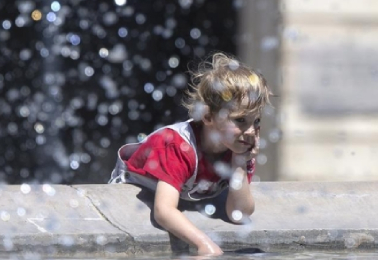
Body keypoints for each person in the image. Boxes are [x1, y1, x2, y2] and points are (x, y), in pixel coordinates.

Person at [109, 53, 271, 256]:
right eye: (240, 121)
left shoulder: (238, 146)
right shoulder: (177, 146)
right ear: (208, 117)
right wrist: (205, 244)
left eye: (255, 121)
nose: (250, 131)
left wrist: (239, 162)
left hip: (188, 192)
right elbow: (163, 211)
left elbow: (240, 215)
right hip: (133, 191)